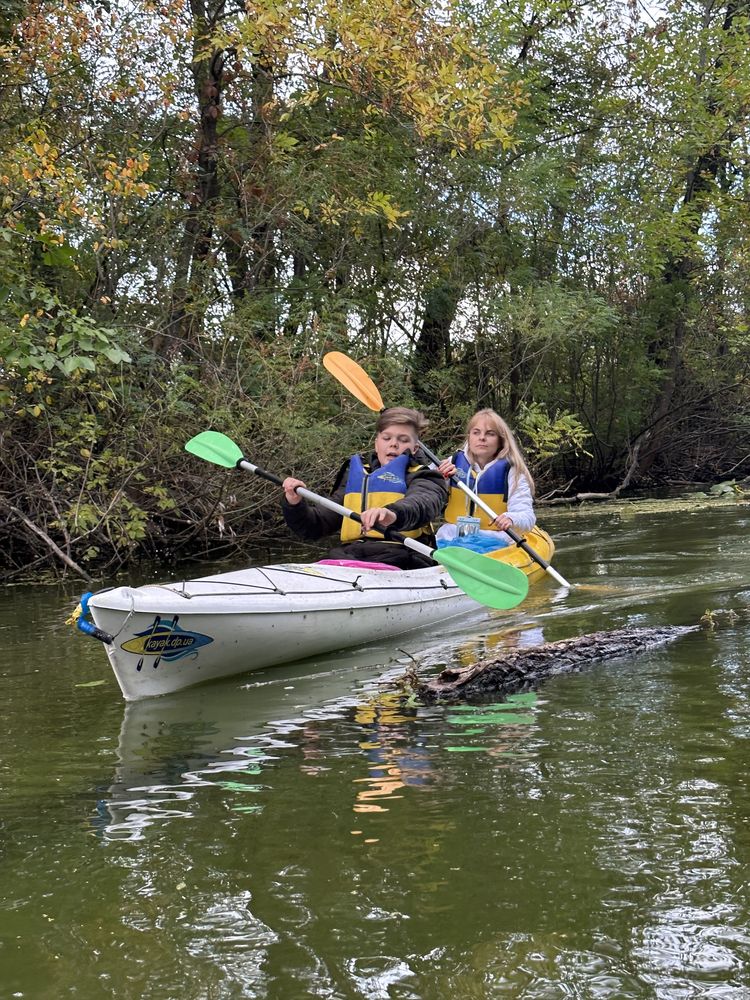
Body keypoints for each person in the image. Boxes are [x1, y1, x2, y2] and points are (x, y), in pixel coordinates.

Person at [281, 407, 449, 570]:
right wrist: (294, 503)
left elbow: (422, 503)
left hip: (404, 559)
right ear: (376, 444)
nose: (394, 444)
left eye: (403, 440)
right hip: (351, 558)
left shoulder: (425, 477)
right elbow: (314, 526)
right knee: (333, 555)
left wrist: (392, 514)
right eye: (386, 438)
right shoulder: (356, 478)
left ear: (415, 448)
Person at [436, 408, 535, 549]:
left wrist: (511, 519)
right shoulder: (453, 462)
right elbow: (422, 487)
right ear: (469, 437)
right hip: (452, 538)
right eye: (476, 432)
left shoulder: (512, 471)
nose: (482, 438)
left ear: (501, 440)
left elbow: (527, 517)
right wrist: (438, 477)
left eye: (490, 434)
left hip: (494, 541)